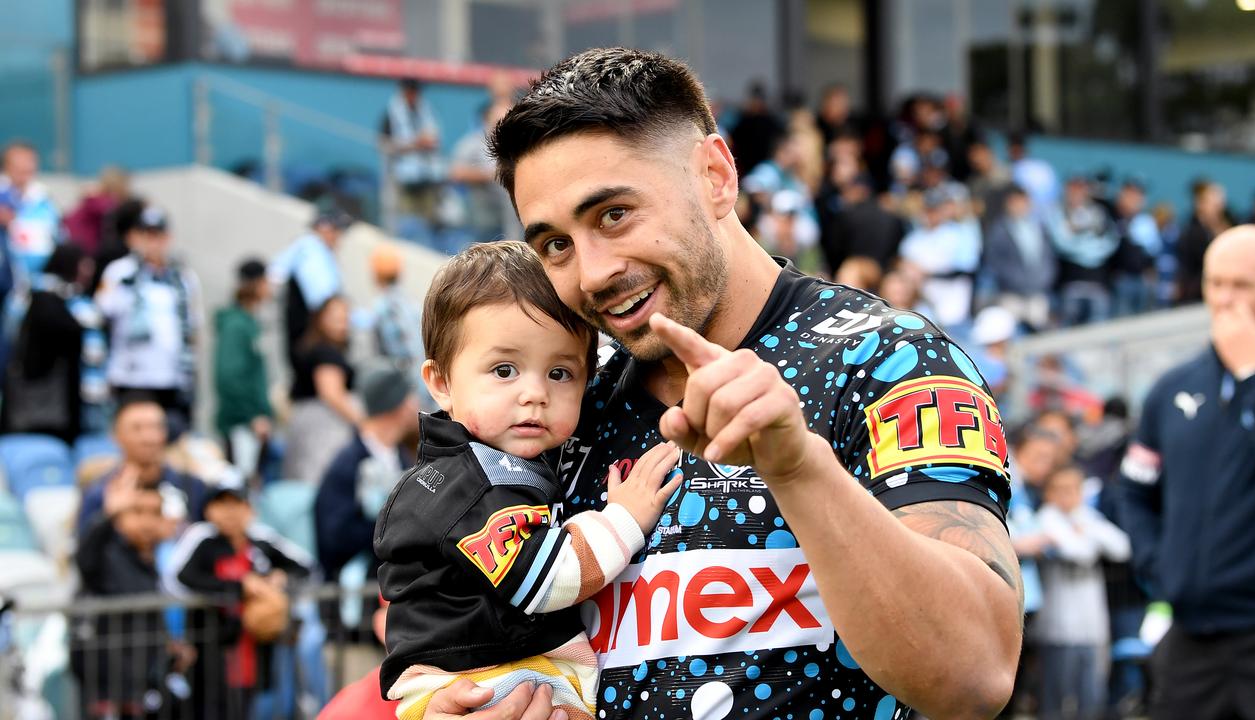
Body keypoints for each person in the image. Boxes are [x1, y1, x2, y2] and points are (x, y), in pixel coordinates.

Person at [421, 46, 1020, 720]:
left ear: (715, 175)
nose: (591, 273)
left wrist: (798, 469)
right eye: (555, 244)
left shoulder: (887, 361)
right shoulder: (561, 415)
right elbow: (453, 638)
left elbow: (976, 675)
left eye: (614, 214)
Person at [376, 241, 684, 719]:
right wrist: (624, 519)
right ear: (441, 383)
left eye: (560, 372)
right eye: (504, 370)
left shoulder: (496, 463)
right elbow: (548, 579)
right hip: (485, 680)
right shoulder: (470, 485)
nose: (535, 394)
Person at [1117, 224, 1255, 720]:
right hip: (1190, 638)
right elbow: (1133, 490)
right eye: (1216, 284)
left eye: (1243, 285)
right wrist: (1156, 562)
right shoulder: (1173, 388)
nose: (1226, 300)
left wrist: (1254, 377)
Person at [169, 482, 314, 719]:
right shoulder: (204, 543)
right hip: (213, 645)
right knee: (211, 704)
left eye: (237, 504)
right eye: (221, 505)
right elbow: (184, 577)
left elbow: (304, 567)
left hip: (253, 644)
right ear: (208, 511)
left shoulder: (261, 542)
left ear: (250, 510)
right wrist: (239, 586)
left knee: (246, 703)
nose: (230, 512)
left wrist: (279, 577)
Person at [72, 483, 193, 720]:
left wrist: (170, 644)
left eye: (155, 513)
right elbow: (85, 559)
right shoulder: (107, 553)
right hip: (107, 685)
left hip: (141, 681)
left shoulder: (151, 558)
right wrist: (107, 515)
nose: (147, 522)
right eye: (137, 512)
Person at [1034, 464, 1131, 720]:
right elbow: (1080, 554)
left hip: (1092, 628)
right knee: (1055, 703)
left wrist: (1085, 529)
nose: (1068, 495)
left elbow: (1122, 547)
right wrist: (1087, 535)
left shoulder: (1086, 517)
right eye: (1061, 489)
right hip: (1058, 630)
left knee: (1091, 701)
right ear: (1049, 493)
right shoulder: (1045, 518)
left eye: (1074, 489)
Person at [96, 205, 203, 431]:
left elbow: (193, 326)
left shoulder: (183, 277)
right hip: (133, 375)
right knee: (137, 436)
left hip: (173, 375)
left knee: (172, 439)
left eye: (159, 235)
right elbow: (103, 311)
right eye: (148, 235)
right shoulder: (119, 272)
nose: (153, 242)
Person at [314, 362, 418, 582]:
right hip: (360, 587)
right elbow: (334, 537)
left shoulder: (401, 456)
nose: (416, 402)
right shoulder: (348, 464)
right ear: (396, 404)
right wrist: (392, 526)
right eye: (409, 394)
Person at [1, 244, 108, 443]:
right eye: (84, 265)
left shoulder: (76, 299)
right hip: (45, 395)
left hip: (75, 396)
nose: (88, 271)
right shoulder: (42, 298)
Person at [77, 394, 206, 537]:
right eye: (137, 428)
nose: (148, 438)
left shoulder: (191, 485)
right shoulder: (100, 493)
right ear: (115, 435)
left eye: (156, 427)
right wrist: (108, 516)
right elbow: (82, 551)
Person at [282, 295, 363, 484]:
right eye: (336, 317)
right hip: (322, 427)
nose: (342, 323)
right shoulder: (325, 352)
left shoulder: (320, 348)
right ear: (321, 318)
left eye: (345, 317)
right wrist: (363, 423)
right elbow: (331, 394)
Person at [270, 210, 352, 371]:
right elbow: (323, 299)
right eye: (336, 230)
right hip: (313, 344)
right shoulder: (311, 249)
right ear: (325, 229)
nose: (339, 238)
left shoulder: (307, 249)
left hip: (306, 339)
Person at [215, 258, 274, 478]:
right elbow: (228, 376)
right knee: (240, 485)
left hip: (250, 424)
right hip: (241, 425)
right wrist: (252, 415)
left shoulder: (250, 322)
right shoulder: (236, 325)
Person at [899, 186, 981, 329]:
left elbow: (967, 269)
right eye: (927, 210)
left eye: (935, 209)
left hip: (953, 302)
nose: (931, 214)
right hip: (922, 304)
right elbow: (903, 268)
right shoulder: (913, 239)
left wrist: (928, 273)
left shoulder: (960, 234)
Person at [982, 186, 1057, 331]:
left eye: (1023, 201)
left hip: (1038, 293)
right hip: (1011, 295)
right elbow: (994, 261)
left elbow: (1048, 257)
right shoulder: (998, 229)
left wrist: (1044, 280)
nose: (1020, 206)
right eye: (1015, 202)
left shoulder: (1038, 227)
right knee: (1011, 334)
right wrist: (1014, 281)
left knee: (1041, 334)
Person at [381, 77, 447, 238]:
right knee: (406, 219)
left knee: (429, 217)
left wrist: (427, 143)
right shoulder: (392, 113)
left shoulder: (426, 110)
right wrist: (414, 144)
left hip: (427, 175)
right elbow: (384, 144)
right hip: (403, 177)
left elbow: (436, 137)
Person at [1051, 176, 1119, 326]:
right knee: (1068, 329)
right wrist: (1088, 244)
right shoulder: (1058, 212)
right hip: (1070, 283)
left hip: (1097, 283)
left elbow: (1110, 241)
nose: (1077, 192)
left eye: (1081, 188)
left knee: (1097, 331)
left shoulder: (1099, 212)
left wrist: (1080, 242)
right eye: (1074, 187)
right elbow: (1063, 244)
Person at [450, 101, 520, 245]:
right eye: (499, 121)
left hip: (511, 214)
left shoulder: (517, 145)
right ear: (487, 120)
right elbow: (456, 172)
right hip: (483, 213)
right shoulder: (473, 143)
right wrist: (490, 175)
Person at [0, 140, 61, 287]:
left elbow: (55, 235)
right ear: (7, 166)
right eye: (18, 165)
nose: (24, 168)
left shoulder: (42, 198)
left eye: (29, 163)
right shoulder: (3, 194)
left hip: (36, 280)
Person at [367, 243, 423, 376]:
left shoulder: (382, 307)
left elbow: (396, 353)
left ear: (375, 275)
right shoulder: (411, 303)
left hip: (403, 382)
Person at [1175, 179, 1233, 304]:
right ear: (1201, 203)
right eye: (1213, 203)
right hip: (1195, 293)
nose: (1218, 207)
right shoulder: (1192, 231)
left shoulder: (1223, 226)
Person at [1110, 179, 1160, 317]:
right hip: (1120, 280)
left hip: (1142, 280)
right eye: (1131, 194)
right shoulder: (1112, 216)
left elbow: (1152, 253)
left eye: (1139, 195)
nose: (1135, 199)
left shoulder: (1145, 221)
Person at [63, 166, 131, 258]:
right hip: (81, 248)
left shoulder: (94, 200)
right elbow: (116, 210)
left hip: (77, 245)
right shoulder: (99, 201)